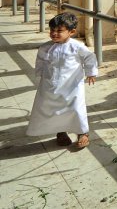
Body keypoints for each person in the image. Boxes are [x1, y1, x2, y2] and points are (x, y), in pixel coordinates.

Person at [26, 12, 98, 148]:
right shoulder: (45, 47)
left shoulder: (77, 46)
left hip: (72, 86)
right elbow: (40, 62)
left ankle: (83, 133)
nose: (54, 33)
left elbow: (90, 57)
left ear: (72, 32)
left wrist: (91, 72)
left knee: (76, 108)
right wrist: (40, 75)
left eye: (59, 31)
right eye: (52, 30)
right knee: (55, 109)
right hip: (51, 86)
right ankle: (60, 132)